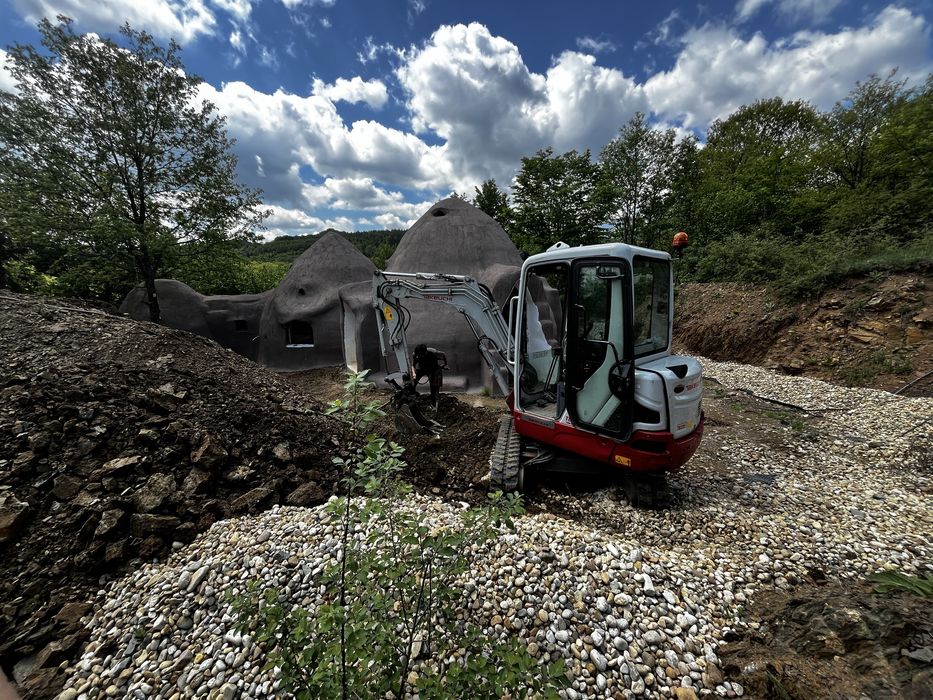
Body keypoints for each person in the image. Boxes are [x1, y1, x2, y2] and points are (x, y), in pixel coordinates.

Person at [412, 344, 446, 409]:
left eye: (421, 355)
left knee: (434, 387)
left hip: (432, 369)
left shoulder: (434, 353)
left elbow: (443, 355)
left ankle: (434, 403)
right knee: (412, 383)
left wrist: (445, 364)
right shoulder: (416, 354)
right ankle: (412, 399)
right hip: (422, 368)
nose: (420, 356)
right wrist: (414, 374)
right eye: (419, 355)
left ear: (425, 352)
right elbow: (413, 365)